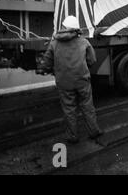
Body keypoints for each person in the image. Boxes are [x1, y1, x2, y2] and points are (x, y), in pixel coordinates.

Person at [39, 16, 103, 144]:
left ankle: (72, 136)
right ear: (76, 29)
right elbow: (92, 60)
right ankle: (94, 131)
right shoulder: (83, 42)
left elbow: (46, 63)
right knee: (87, 106)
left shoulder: (54, 43)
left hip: (64, 82)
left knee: (69, 109)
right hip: (82, 80)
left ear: (63, 27)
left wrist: (44, 69)